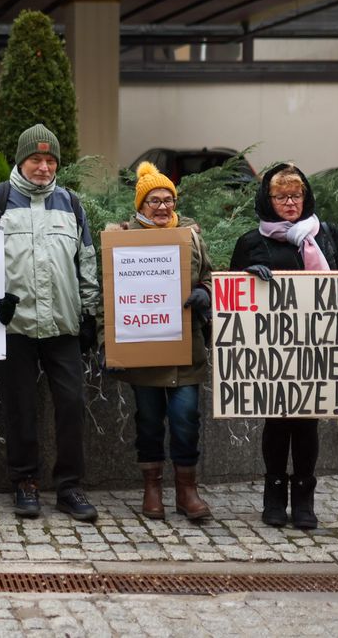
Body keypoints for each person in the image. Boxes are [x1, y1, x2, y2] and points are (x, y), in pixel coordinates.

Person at [0, 124, 102, 523]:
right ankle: (24, 482)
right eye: (35, 159)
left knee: (72, 406)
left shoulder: (72, 204)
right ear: (21, 160)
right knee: (20, 408)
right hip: (14, 328)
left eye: (50, 160)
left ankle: (69, 487)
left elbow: (87, 263)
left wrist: (90, 315)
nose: (43, 167)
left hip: (63, 325)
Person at [230, 162, 338, 530]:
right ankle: (274, 497)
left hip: (319, 343)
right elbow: (232, 297)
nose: (290, 202)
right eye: (281, 196)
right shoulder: (252, 241)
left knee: (306, 424)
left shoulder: (327, 235)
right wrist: (247, 276)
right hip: (274, 349)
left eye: (296, 195)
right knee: (277, 422)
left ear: (306, 196)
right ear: (268, 200)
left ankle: (304, 498)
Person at [108, 162, 214, 522]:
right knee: (149, 421)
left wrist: (204, 293)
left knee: (186, 419)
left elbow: (209, 277)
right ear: (140, 205)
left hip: (186, 349)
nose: (163, 207)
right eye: (154, 200)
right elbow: (110, 291)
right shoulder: (124, 238)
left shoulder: (192, 235)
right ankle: (152, 487)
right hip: (144, 348)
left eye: (168, 199)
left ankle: (187, 490)